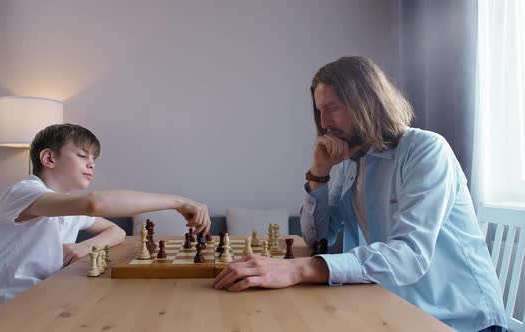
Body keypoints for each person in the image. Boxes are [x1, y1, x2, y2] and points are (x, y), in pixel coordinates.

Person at [213, 56, 507, 332]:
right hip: (396, 306)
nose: (324, 123)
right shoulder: (351, 164)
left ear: (367, 102)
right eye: (319, 111)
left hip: (460, 319)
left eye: (333, 108)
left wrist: (297, 270)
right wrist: (319, 172)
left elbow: (409, 256)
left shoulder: (426, 150)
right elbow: (319, 239)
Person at [0, 123, 211, 317]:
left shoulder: (63, 203)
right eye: (81, 155)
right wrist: (179, 202)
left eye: (94, 158)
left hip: (46, 303)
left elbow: (116, 231)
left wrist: (83, 246)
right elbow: (94, 204)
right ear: (48, 158)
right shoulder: (24, 192)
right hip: (8, 315)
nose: (92, 163)